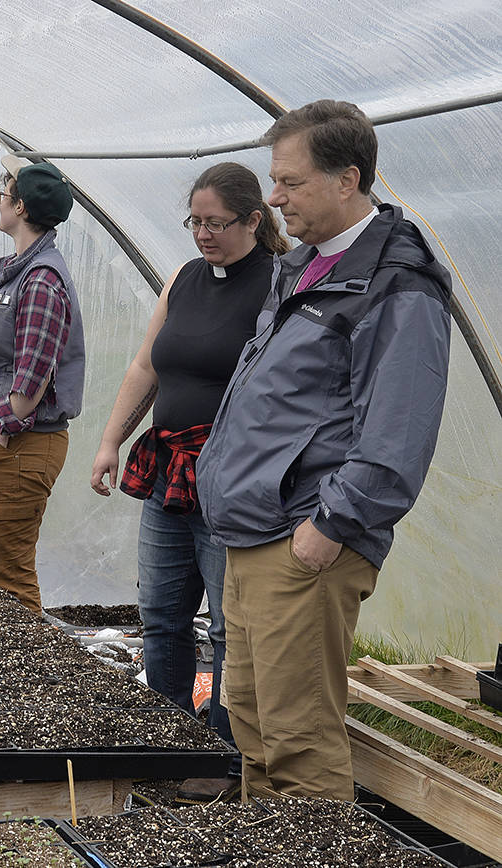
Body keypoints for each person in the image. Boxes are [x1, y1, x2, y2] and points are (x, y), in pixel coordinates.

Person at [196, 100, 452, 800]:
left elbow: (396, 432)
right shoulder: (302, 267)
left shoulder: (396, 283)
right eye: (273, 180)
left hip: (305, 541)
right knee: (250, 728)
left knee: (299, 746)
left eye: (290, 182)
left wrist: (329, 528)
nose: (274, 197)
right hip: (253, 534)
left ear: (348, 179)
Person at [89, 162, 290, 800]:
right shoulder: (182, 279)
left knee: (230, 625)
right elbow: (148, 363)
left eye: (217, 223)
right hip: (169, 472)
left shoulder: (279, 285)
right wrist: (109, 440)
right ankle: (166, 737)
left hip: (232, 480)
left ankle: (225, 754)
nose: (203, 234)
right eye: (195, 222)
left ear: (254, 220)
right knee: (162, 613)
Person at [0, 163, 83, 613]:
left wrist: (0, 433)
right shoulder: (16, 271)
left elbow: (32, 373)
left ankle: (31, 676)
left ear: (20, 206)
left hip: (19, 443)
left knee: (8, 578)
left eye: (3, 195)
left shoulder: (42, 280)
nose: (0, 203)